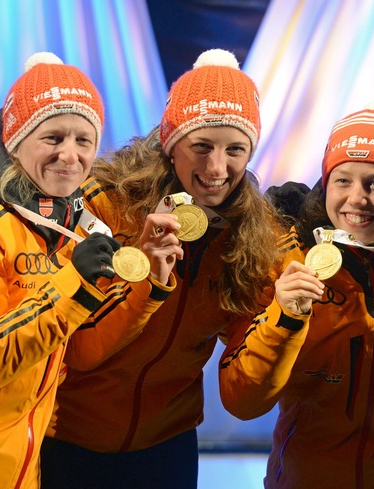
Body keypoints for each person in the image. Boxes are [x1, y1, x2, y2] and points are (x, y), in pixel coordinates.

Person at [38, 49, 286, 488]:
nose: (216, 169)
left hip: (167, 447)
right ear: (171, 146)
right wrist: (147, 283)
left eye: (235, 150)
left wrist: (289, 319)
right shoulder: (104, 205)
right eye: (201, 146)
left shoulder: (251, 240)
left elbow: (244, 393)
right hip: (68, 437)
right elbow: (77, 350)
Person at [219, 102, 374, 488]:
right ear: (326, 183)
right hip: (310, 476)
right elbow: (243, 401)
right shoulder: (286, 256)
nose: (357, 198)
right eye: (343, 181)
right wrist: (283, 317)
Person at [0, 53, 178, 489]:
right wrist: (72, 288)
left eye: (85, 140)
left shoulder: (59, 220)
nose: (70, 155)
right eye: (53, 137)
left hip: (20, 468)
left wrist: (150, 283)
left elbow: (78, 352)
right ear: (16, 138)